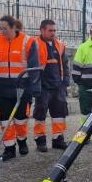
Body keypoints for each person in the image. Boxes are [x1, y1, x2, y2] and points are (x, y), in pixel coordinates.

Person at [0, 15, 41, 161]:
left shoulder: (28, 42)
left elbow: (34, 67)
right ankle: (9, 148)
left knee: (21, 119)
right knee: (4, 120)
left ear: (14, 28)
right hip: (2, 89)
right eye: (0, 29)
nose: (2, 32)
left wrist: (36, 88)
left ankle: (22, 141)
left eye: (5, 29)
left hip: (22, 88)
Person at [31, 19, 70, 153]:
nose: (53, 33)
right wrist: (34, 84)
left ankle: (58, 139)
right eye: (50, 30)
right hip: (42, 86)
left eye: (54, 30)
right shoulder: (34, 44)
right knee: (40, 114)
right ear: (42, 30)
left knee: (59, 114)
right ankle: (40, 140)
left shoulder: (60, 45)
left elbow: (65, 65)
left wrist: (65, 82)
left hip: (58, 86)